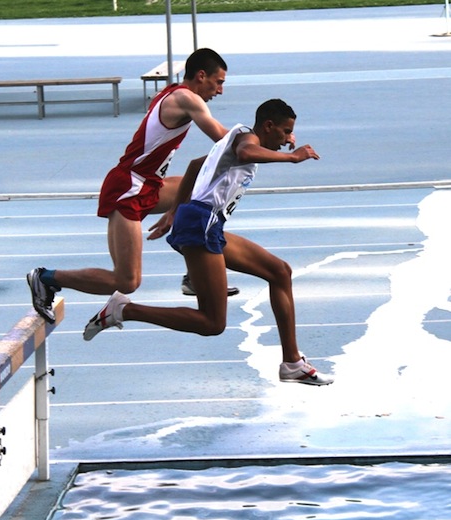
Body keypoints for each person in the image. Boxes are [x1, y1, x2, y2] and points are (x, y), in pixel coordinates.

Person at [83, 98, 334, 386]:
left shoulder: (231, 141)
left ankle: (292, 362)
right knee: (212, 323)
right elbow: (247, 151)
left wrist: (174, 211)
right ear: (268, 126)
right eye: (285, 131)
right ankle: (125, 310)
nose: (288, 139)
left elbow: (193, 167)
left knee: (279, 272)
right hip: (201, 224)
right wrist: (293, 158)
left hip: (205, 223)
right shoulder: (244, 140)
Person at [27, 48, 238, 324]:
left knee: (201, 188)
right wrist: (271, 145)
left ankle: (194, 275)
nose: (220, 90)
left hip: (149, 183)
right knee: (127, 281)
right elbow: (224, 143)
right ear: (201, 75)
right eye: (218, 82)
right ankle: (45, 278)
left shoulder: (172, 92)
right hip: (128, 187)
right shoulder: (186, 98)